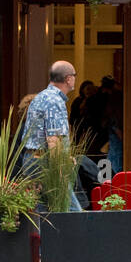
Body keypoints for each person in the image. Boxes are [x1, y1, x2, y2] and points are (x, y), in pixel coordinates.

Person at [21, 61, 85, 211]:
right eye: (74, 76)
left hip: (32, 160)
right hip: (46, 164)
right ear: (69, 79)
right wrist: (61, 171)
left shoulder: (40, 97)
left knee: (43, 215)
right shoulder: (54, 101)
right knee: (72, 212)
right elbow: (53, 140)